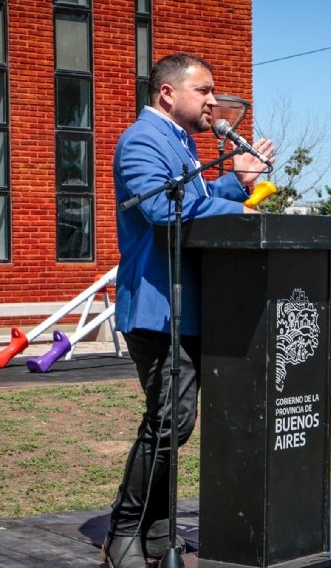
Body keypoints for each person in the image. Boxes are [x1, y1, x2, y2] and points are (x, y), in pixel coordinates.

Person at [103, 53, 275, 567]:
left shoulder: (180, 142)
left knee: (175, 420)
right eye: (204, 91)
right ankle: (123, 532)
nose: (213, 102)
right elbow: (162, 209)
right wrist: (240, 209)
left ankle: (157, 534)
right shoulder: (141, 140)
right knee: (170, 419)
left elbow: (194, 196)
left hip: (190, 304)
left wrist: (236, 182)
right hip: (157, 307)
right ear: (167, 94)